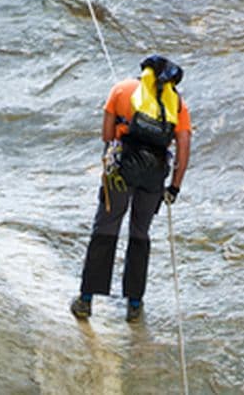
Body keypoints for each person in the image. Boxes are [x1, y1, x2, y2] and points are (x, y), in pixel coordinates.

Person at [71, 54, 192, 322]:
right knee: (140, 233)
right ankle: (134, 304)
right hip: (154, 177)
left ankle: (86, 300)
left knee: (105, 227)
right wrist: (174, 188)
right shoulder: (178, 105)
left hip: (120, 171)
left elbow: (106, 136)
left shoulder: (121, 89)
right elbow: (183, 151)